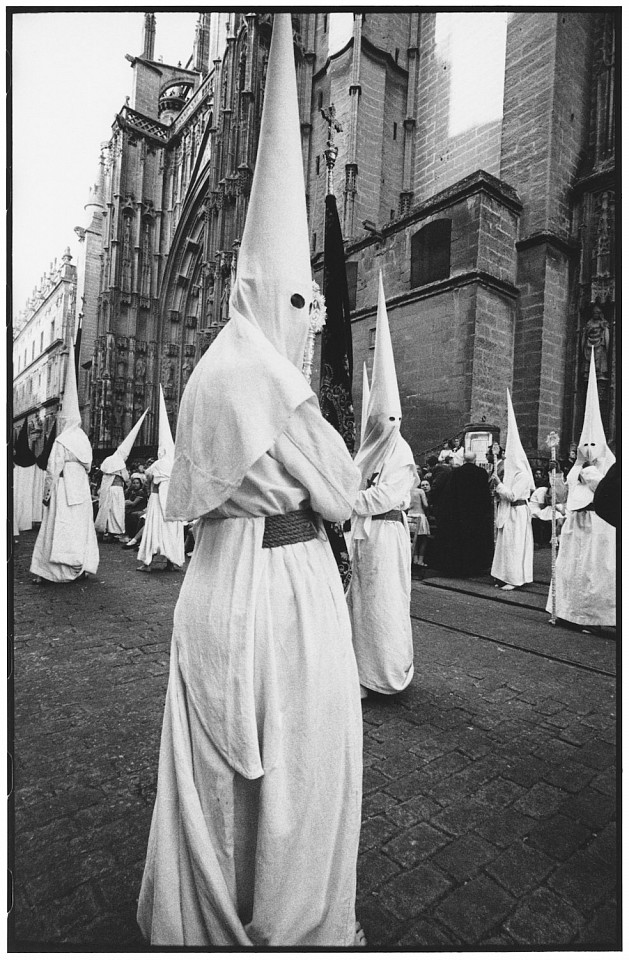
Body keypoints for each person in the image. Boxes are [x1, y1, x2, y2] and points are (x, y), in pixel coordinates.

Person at [137, 15, 364, 947]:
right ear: (280, 296)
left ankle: (202, 913)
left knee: (210, 774)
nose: (310, 316)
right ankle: (283, 916)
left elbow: (186, 490)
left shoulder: (209, 377)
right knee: (303, 769)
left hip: (215, 585)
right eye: (303, 300)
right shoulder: (275, 384)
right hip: (287, 596)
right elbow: (344, 495)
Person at [347, 272, 418, 698]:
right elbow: (354, 479)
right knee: (363, 604)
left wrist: (347, 499)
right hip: (364, 538)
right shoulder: (366, 450)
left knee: (386, 605)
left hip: (387, 536)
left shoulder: (401, 450)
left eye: (393, 419)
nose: (388, 426)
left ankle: (388, 673)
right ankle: (361, 672)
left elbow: (386, 495)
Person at [548, 351, 615, 628]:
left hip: (600, 525)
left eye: (592, 444)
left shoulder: (609, 464)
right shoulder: (578, 467)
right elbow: (565, 492)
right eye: (583, 445)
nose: (588, 450)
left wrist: (588, 471)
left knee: (596, 571)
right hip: (577, 523)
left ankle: (597, 617)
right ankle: (568, 611)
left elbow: (606, 491)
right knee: (572, 568)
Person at [30, 349, 99, 583]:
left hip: (63, 486)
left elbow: (53, 468)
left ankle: (51, 570)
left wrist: (47, 493)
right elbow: (89, 466)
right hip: (80, 487)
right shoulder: (83, 440)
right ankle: (80, 565)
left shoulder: (62, 440)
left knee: (56, 525)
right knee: (79, 526)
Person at [136, 386, 185, 573]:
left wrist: (154, 479)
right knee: (172, 530)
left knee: (154, 530)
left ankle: (147, 563)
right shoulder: (176, 463)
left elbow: (147, 475)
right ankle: (172, 561)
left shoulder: (158, 464)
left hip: (157, 500)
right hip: (173, 503)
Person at [491, 391, 535, 590]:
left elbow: (513, 495)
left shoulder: (523, 476)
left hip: (517, 513)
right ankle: (502, 574)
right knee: (504, 546)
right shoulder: (511, 474)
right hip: (507, 512)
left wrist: (499, 485)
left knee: (515, 546)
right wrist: (497, 488)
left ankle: (514, 578)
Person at [432, 451, 494, 576]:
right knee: (474, 540)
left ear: (464, 460)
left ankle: (459, 566)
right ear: (475, 459)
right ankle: (475, 566)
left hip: (459, 513)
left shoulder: (455, 472)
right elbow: (484, 495)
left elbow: (450, 493)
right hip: (476, 514)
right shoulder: (481, 473)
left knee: (460, 540)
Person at [94, 409, 148, 542]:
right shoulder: (119, 462)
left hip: (107, 489)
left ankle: (103, 531)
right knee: (116, 512)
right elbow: (126, 478)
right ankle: (115, 532)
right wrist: (129, 483)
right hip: (116, 490)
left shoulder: (108, 460)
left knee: (106, 511)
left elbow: (101, 474)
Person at [408, 479, 430, 567]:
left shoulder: (407, 491)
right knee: (423, 539)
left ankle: (415, 559)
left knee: (413, 539)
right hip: (420, 515)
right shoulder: (420, 491)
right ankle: (420, 561)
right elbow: (426, 505)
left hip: (409, 516)